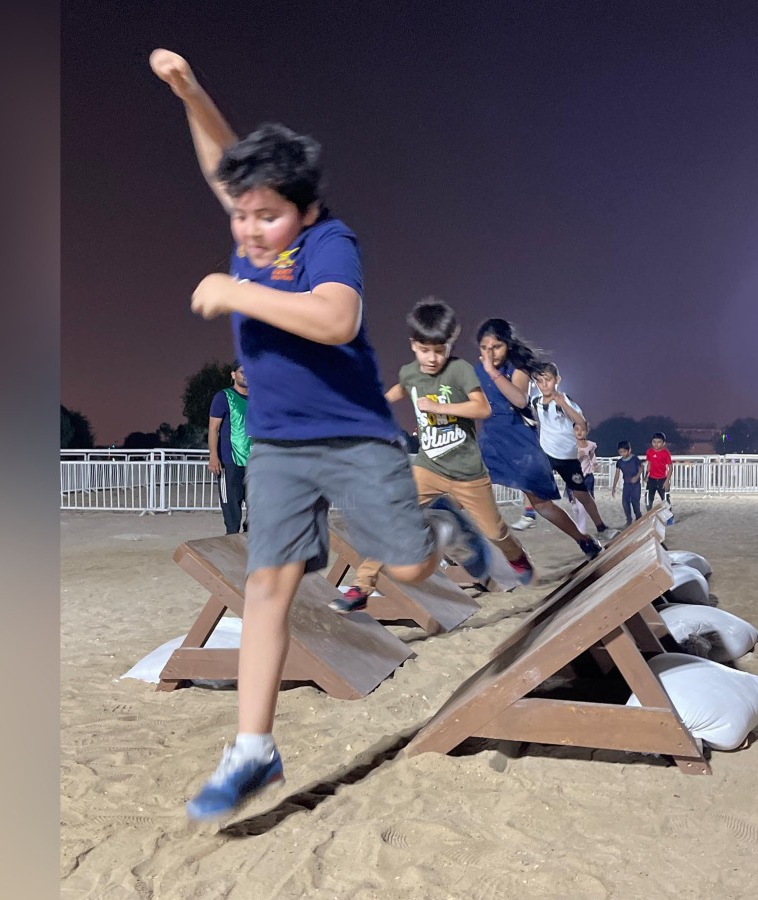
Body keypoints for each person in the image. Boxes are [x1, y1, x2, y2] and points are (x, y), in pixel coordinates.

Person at [150, 48, 495, 823]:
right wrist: (191, 90)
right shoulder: (251, 228)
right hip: (275, 446)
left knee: (406, 563)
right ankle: (254, 749)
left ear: (303, 211)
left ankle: (439, 525)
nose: (248, 228)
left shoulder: (327, 243)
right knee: (267, 585)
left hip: (351, 436)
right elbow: (222, 161)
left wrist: (238, 289)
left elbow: (337, 319)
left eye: (265, 215)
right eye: (240, 213)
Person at [336, 300, 535, 610]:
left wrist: (439, 407)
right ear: (413, 345)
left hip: (468, 472)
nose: (432, 358)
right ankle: (361, 587)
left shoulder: (459, 370)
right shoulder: (410, 373)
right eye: (425, 350)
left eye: (439, 350)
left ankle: (517, 557)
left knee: (494, 530)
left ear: (449, 345)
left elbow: (482, 408)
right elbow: (396, 391)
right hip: (428, 469)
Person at [474, 318, 602, 559]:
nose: (489, 354)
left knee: (542, 504)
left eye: (496, 347)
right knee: (468, 494)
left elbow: (520, 400)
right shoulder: (476, 370)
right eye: (484, 348)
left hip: (520, 444)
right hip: (490, 440)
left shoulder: (517, 367)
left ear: (508, 345)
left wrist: (492, 373)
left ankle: (584, 540)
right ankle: (476, 555)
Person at [529, 362, 612, 538]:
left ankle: (601, 526)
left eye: (548, 380)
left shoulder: (564, 399)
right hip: (546, 453)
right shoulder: (535, 401)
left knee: (581, 493)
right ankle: (528, 513)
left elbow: (581, 422)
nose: (544, 385)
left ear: (557, 380)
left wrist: (563, 404)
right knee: (529, 478)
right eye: (539, 381)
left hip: (567, 457)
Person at [208, 361, 250, 535]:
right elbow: (213, 428)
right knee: (232, 510)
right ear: (233, 374)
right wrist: (213, 455)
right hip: (230, 461)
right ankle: (232, 542)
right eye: (242, 371)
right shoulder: (223, 397)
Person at [644, 431, 675, 522]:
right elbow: (649, 464)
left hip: (662, 479)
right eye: (654, 442)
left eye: (659, 442)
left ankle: (669, 518)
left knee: (665, 499)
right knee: (648, 499)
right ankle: (649, 516)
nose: (656, 444)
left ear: (663, 443)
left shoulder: (665, 453)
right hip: (652, 479)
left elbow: (670, 467)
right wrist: (646, 475)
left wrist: (667, 481)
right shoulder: (649, 452)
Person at [611, 440, 642, 526]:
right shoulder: (619, 462)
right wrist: (614, 487)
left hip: (635, 485)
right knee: (625, 502)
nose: (622, 453)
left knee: (635, 502)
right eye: (620, 452)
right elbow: (617, 475)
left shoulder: (635, 459)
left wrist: (636, 477)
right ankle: (629, 520)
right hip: (627, 484)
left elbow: (641, 468)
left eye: (624, 451)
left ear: (629, 450)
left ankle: (638, 517)